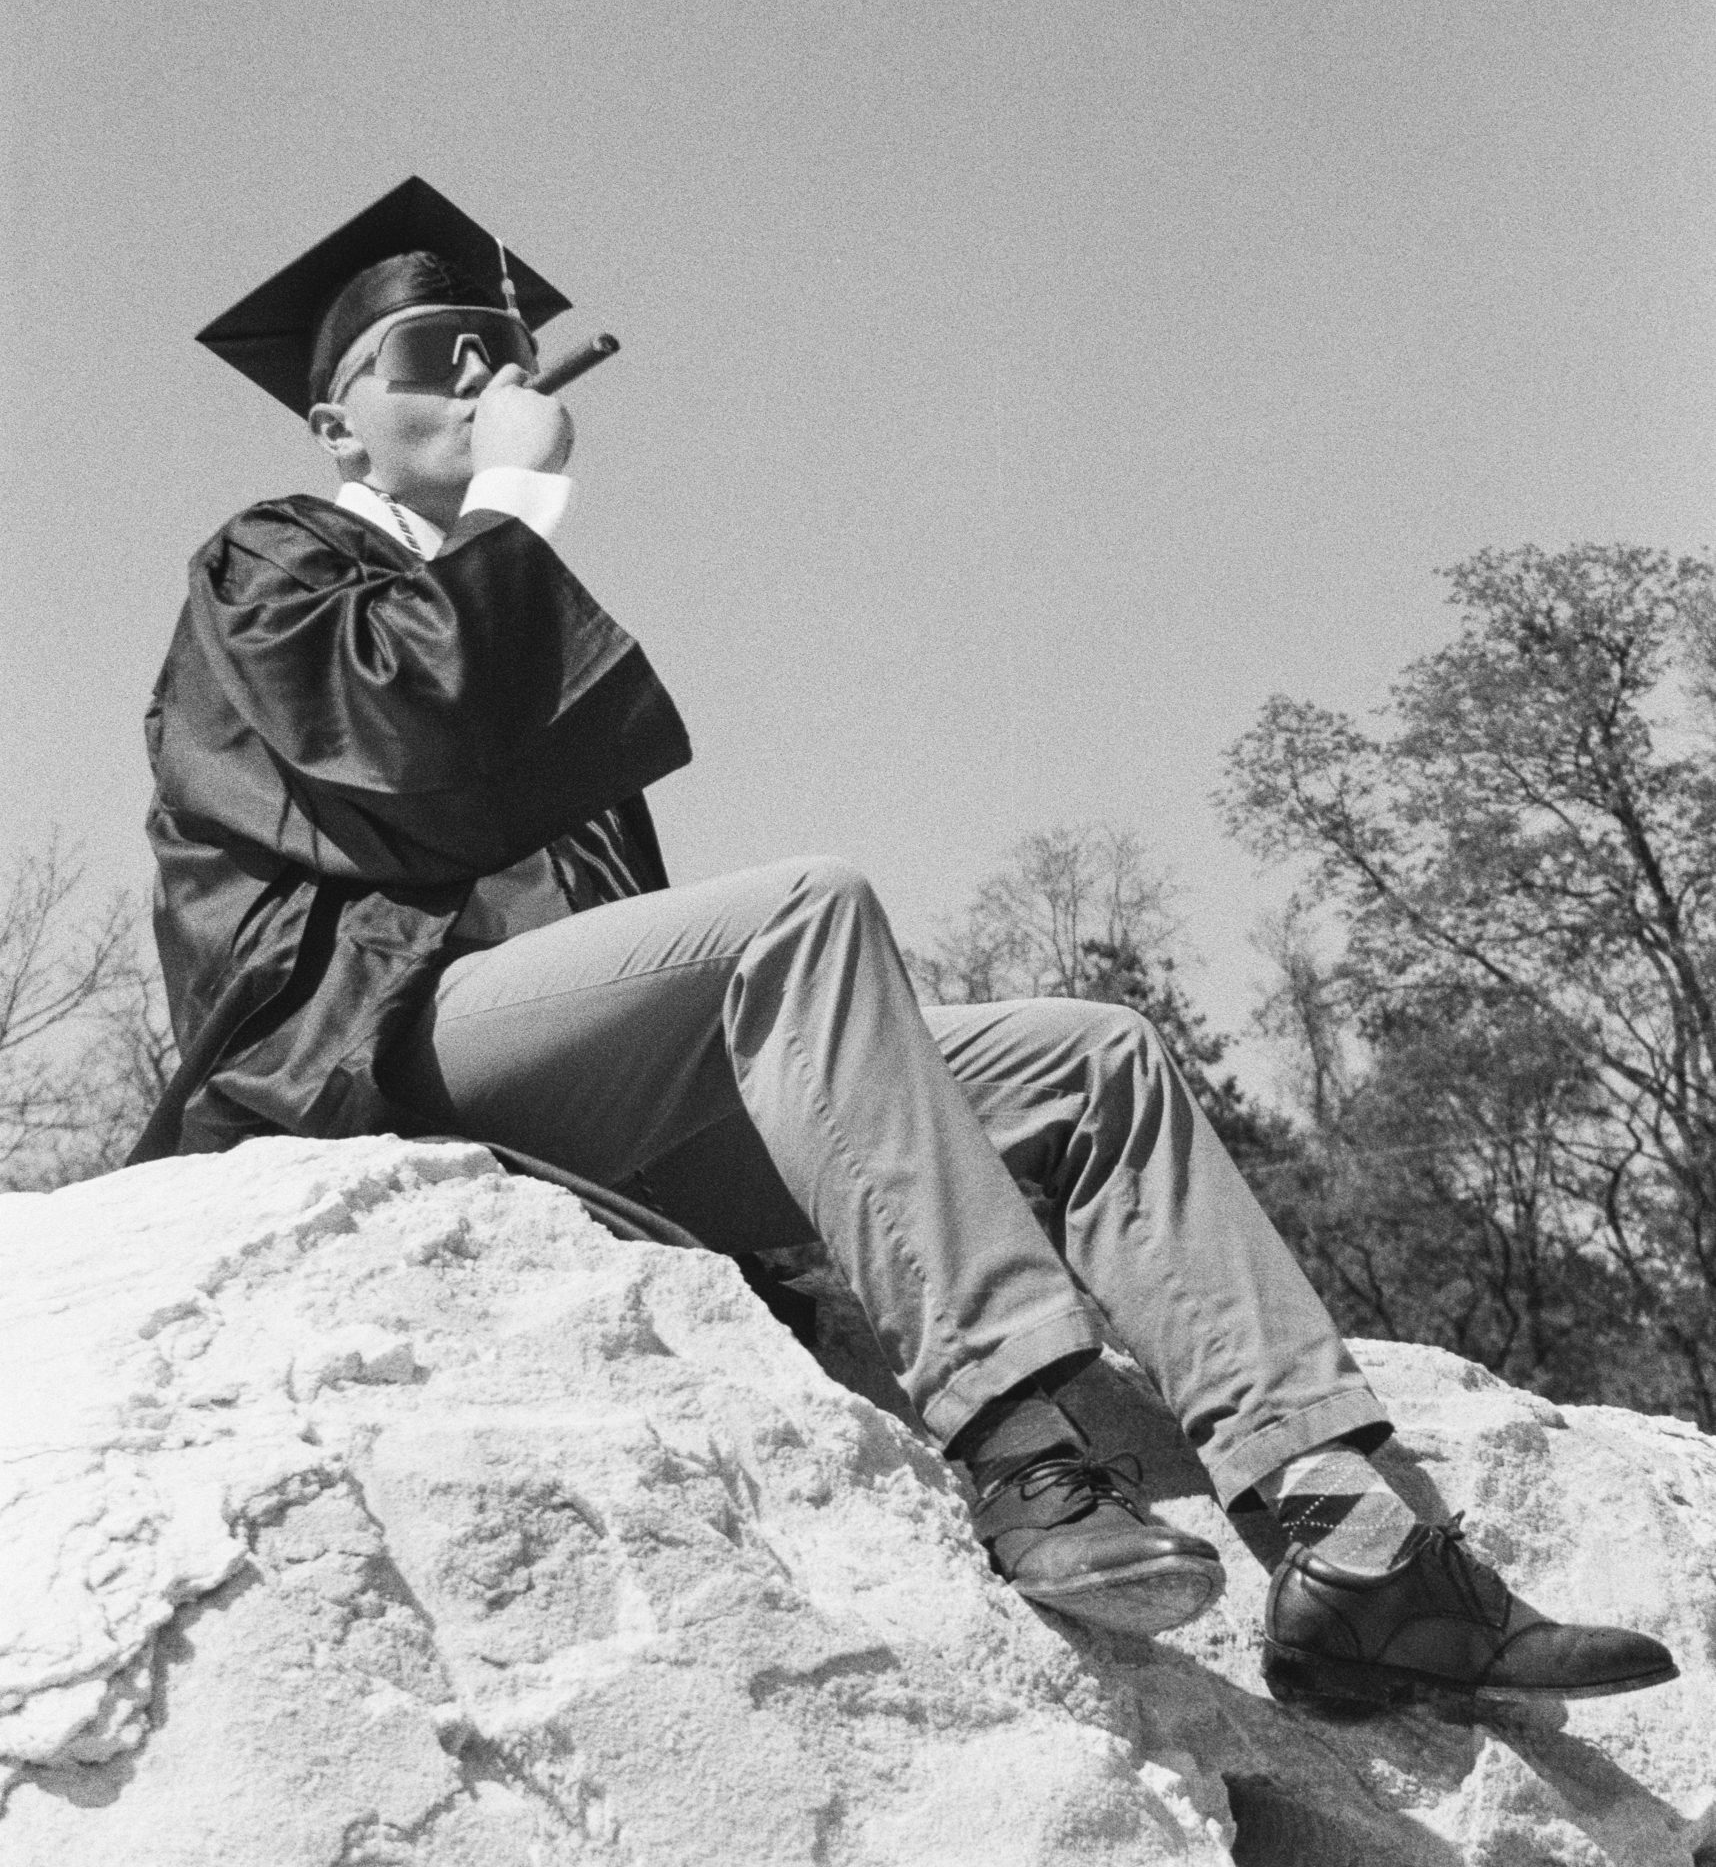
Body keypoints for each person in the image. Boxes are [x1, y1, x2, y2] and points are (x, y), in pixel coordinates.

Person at [135, 175, 1677, 1713]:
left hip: (593, 1109)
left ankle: (1361, 1551)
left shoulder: (511, 608)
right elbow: (414, 754)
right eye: (432, 357)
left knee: (1101, 1059)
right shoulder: (275, 559)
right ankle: (1019, 1441)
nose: (483, 379)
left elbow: (614, 937)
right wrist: (523, 501)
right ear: (337, 423)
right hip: (366, 1056)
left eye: (500, 348)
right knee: (803, 908)